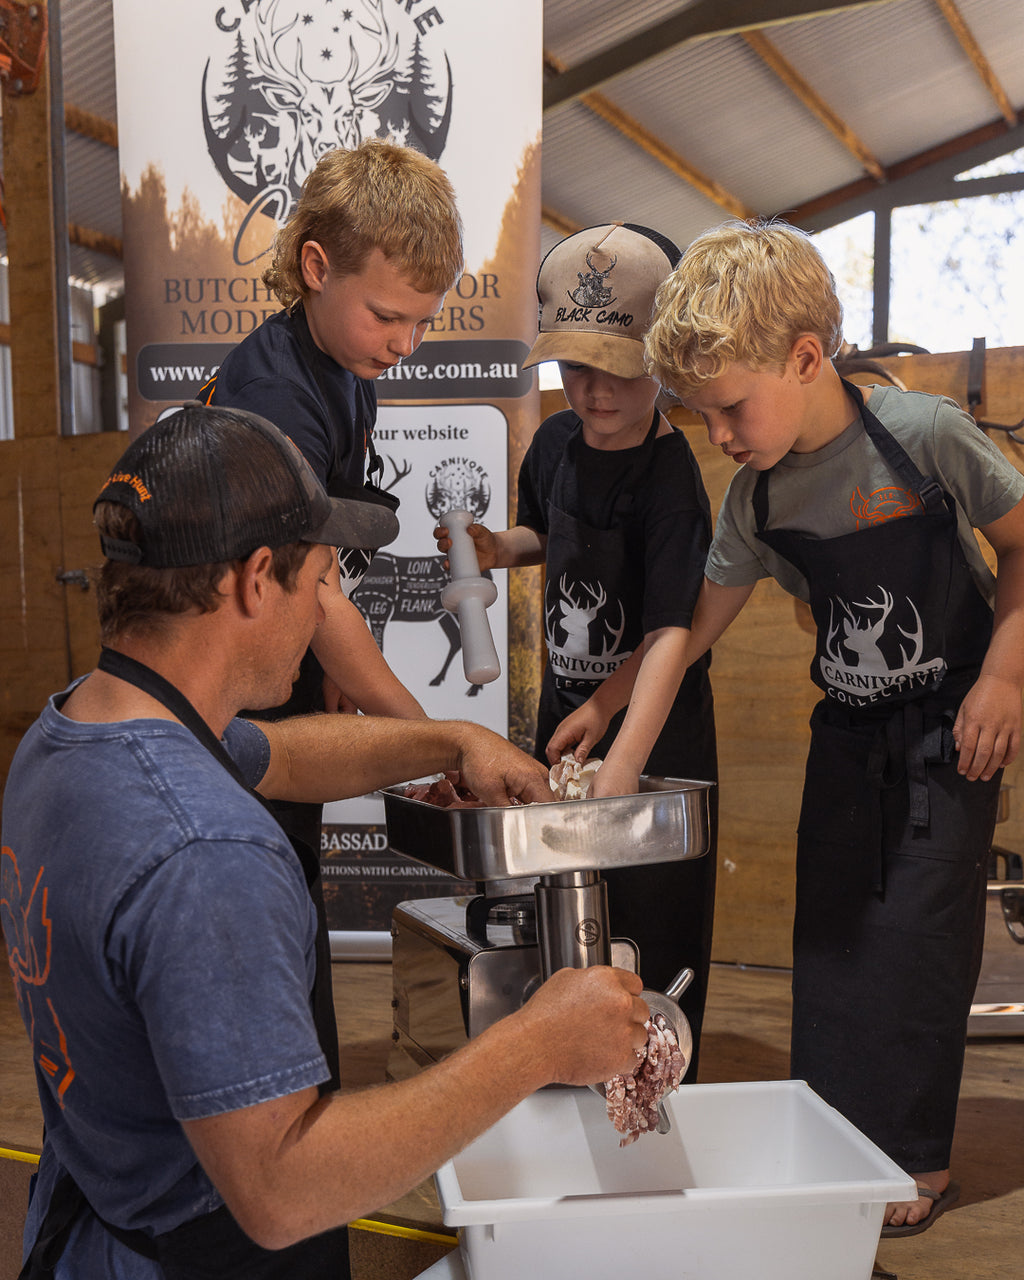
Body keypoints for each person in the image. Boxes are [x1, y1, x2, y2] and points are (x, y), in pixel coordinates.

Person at [1, 404, 651, 1280]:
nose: (322, 610)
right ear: (253, 580)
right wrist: (540, 1043)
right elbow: (284, 1191)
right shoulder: (208, 854)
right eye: (321, 580)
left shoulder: (78, 729)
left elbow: (278, 754)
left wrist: (450, 739)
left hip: (92, 1213)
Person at [643, 217, 1024, 1236]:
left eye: (730, 407)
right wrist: (613, 734)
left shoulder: (926, 435)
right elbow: (688, 635)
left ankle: (915, 1158)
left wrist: (1003, 677)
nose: (719, 436)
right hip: (847, 738)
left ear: (805, 357)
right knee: (833, 942)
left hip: (952, 729)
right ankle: (833, 1141)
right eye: (701, 415)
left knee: (917, 942)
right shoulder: (756, 499)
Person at [435, 222, 718, 1063]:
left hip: (652, 729)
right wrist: (499, 548)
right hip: (567, 716)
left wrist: (620, 754)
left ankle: (652, 1070)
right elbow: (542, 532)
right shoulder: (557, 441)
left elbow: (672, 633)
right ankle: (562, 1059)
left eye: (618, 369)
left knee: (650, 914)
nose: (594, 391)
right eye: (575, 368)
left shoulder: (672, 484)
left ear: (662, 361)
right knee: (563, 905)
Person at [197, 138, 465, 854]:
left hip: (286, 654)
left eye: (424, 321)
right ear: (316, 267)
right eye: (386, 316)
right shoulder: (277, 395)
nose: (406, 344)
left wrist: (335, 663)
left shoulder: (346, 366)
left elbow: (326, 550)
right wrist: (439, 744)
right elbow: (311, 593)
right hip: (232, 684)